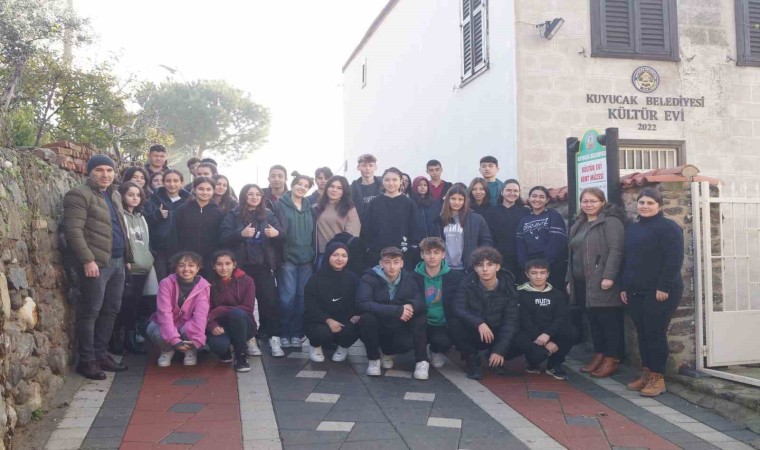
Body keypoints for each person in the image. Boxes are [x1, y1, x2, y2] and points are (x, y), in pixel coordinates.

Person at [64, 154, 133, 379]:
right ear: (89, 172)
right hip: (97, 264)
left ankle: (101, 354)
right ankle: (87, 360)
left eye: (109, 170)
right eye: (99, 170)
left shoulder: (114, 194)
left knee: (111, 309)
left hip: (118, 261)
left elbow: (120, 227)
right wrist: (87, 260)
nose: (105, 175)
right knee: (90, 311)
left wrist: (127, 256)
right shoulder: (79, 195)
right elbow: (73, 231)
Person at [621, 188, 684, 397]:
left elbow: (674, 260)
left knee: (655, 333)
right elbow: (628, 260)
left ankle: (658, 379)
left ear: (659, 206)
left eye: (650, 203)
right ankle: (647, 374)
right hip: (636, 290)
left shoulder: (669, 227)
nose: (645, 206)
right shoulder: (633, 228)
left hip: (661, 291)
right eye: (642, 202)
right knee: (643, 333)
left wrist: (664, 287)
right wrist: (624, 287)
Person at [220, 184, 286, 357]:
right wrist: (240, 234)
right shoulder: (233, 214)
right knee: (243, 303)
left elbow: (283, 236)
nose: (254, 197)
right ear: (244, 196)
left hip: (264, 266)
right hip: (242, 267)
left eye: (258, 194)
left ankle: (272, 336)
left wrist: (276, 234)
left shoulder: (269, 214)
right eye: (250, 194)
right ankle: (249, 338)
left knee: (269, 302)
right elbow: (223, 237)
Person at [567, 188, 626, 378]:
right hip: (583, 282)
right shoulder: (579, 224)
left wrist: (609, 276)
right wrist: (569, 279)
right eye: (585, 201)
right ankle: (599, 354)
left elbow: (617, 250)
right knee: (594, 322)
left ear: (602, 202)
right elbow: (572, 254)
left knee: (607, 321)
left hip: (602, 281)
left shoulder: (610, 222)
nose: (588, 205)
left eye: (593, 201)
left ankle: (612, 358)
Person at [357, 247, 429, 380]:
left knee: (420, 318)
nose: (392, 266)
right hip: (379, 324)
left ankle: (422, 361)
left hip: (400, 326)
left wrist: (411, 305)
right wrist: (396, 310)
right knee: (367, 318)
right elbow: (363, 303)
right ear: (381, 263)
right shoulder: (369, 278)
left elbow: (421, 302)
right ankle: (374, 359)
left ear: (402, 263)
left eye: (396, 262)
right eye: (387, 262)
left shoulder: (410, 278)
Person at [449, 247, 519, 380]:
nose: (485, 269)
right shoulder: (467, 283)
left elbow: (511, 321)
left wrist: (499, 350)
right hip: (475, 330)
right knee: (455, 322)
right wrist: (479, 323)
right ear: (475, 268)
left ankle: (494, 357)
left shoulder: (508, 288)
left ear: (498, 267)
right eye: (480, 265)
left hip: (496, 331)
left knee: (519, 336)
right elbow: (458, 308)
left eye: (490, 264)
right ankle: (472, 360)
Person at [517, 259, 578, 380]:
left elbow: (560, 317)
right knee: (538, 355)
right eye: (534, 273)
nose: (538, 276)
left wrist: (548, 335)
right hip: (531, 334)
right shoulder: (520, 294)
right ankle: (532, 362)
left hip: (549, 332)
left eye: (542, 272)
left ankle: (554, 363)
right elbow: (524, 320)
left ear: (548, 274)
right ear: (527, 274)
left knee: (571, 332)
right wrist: (544, 341)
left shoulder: (556, 294)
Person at [147, 251, 210, 367]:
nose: (186, 269)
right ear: (176, 268)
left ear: (197, 268)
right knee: (154, 330)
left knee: (195, 326)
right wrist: (174, 340)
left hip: (188, 324)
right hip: (167, 322)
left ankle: (190, 350)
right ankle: (167, 350)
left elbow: (201, 314)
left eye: (191, 265)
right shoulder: (165, 284)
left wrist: (197, 340)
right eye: (181, 265)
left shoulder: (204, 286)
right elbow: (164, 313)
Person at [114, 181, 154, 355]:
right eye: (130, 194)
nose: (135, 198)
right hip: (130, 268)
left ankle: (130, 339)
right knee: (123, 306)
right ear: (122, 196)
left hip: (144, 268)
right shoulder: (119, 216)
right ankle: (119, 341)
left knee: (135, 306)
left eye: (138, 195)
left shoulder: (141, 217)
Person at [412, 237, 464, 369]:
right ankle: (421, 358)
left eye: (436, 252)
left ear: (443, 254)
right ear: (422, 255)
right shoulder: (412, 277)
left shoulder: (456, 277)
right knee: (406, 340)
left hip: (442, 323)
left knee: (445, 340)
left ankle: (436, 350)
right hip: (420, 322)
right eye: (428, 252)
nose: (432, 256)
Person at [304, 242, 361, 363]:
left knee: (359, 324)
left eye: (344, 255)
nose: (340, 259)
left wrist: (357, 314)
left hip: (344, 320)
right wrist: (328, 320)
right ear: (328, 256)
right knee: (320, 332)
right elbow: (310, 305)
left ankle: (343, 347)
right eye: (335, 255)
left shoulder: (352, 278)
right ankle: (315, 346)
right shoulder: (315, 279)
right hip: (321, 321)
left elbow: (359, 299)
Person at [277, 175, 316, 349]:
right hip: (288, 258)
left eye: (305, 186)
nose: (301, 187)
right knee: (287, 297)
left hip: (307, 259)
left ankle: (297, 333)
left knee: (302, 297)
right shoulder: (279, 205)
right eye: (299, 184)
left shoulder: (310, 208)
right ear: (292, 185)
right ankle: (284, 332)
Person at [207, 251, 259, 373]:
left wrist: (220, 309)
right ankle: (225, 350)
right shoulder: (208, 284)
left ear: (234, 264)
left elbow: (248, 308)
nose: (223, 268)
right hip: (221, 325)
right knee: (218, 346)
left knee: (237, 313)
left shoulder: (247, 281)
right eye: (219, 264)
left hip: (244, 324)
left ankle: (241, 355)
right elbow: (206, 311)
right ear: (214, 266)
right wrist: (212, 326)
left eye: (227, 263)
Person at [360, 167, 419, 268]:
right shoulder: (375, 203)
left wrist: (411, 249)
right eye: (387, 180)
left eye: (394, 180)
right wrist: (369, 249)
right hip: (377, 255)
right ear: (382, 181)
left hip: (402, 254)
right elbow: (366, 229)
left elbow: (415, 229)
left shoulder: (409, 203)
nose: (391, 183)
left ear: (401, 181)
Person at [517, 186, 568, 290]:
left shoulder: (553, 215)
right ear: (529, 198)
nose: (537, 199)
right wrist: (526, 265)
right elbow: (520, 245)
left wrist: (544, 264)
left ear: (547, 200)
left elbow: (557, 241)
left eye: (541, 197)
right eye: (534, 196)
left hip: (551, 266)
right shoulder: (524, 220)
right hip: (530, 266)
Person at [144, 170, 191, 281]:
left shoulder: (189, 202)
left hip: (181, 249)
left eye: (176, 181)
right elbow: (143, 221)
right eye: (168, 181)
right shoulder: (153, 200)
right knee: (162, 281)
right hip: (159, 249)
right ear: (163, 182)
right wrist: (156, 215)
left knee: (180, 281)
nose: (172, 184)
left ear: (181, 183)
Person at [174, 177, 224, 277]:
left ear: (213, 191)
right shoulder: (182, 210)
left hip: (210, 260)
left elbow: (220, 236)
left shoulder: (218, 212)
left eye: (208, 189)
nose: (205, 192)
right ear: (194, 190)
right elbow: (174, 235)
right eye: (201, 189)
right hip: (186, 260)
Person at [436, 185, 492, 272]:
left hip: (467, 268)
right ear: (447, 200)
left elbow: (486, 241)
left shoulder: (476, 219)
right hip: (444, 268)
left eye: (460, 199)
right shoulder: (439, 219)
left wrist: (478, 259)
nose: (456, 202)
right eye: (453, 199)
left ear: (465, 201)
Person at [486, 179, 530, 280]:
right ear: (502, 192)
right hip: (498, 257)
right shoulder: (491, 212)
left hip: (520, 257)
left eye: (515, 191)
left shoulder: (525, 212)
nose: (512, 193)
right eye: (508, 190)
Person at [314, 175, 361, 268]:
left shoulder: (349, 209)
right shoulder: (317, 207)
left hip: (339, 255)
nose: (334, 190)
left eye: (339, 188)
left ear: (344, 191)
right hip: (320, 255)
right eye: (332, 186)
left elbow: (352, 235)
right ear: (327, 188)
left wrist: (339, 253)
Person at [350, 154, 383, 222]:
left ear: (375, 167)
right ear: (358, 167)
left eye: (371, 165)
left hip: (381, 225)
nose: (367, 168)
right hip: (360, 226)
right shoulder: (352, 189)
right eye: (364, 165)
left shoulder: (384, 186)